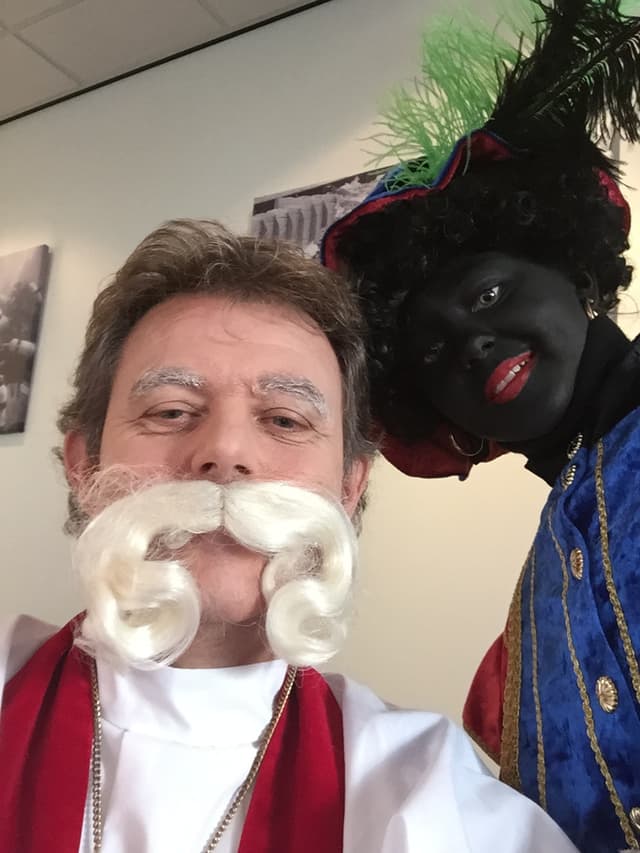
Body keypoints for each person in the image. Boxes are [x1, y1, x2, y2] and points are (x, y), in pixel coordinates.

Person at [0, 219, 576, 853]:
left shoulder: (428, 793)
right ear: (84, 467)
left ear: (349, 487)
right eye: (171, 410)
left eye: (284, 420)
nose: (226, 451)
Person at [320, 1, 640, 851]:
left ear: (572, 270)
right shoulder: (529, 628)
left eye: (490, 294)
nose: (473, 343)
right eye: (432, 351)